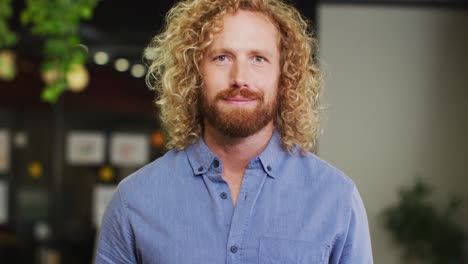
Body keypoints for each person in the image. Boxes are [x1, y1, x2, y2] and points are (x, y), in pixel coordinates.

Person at [95, 0, 373, 263]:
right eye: (222, 57)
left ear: (284, 76)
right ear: (194, 73)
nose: (240, 77)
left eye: (258, 59)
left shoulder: (336, 198)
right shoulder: (134, 201)